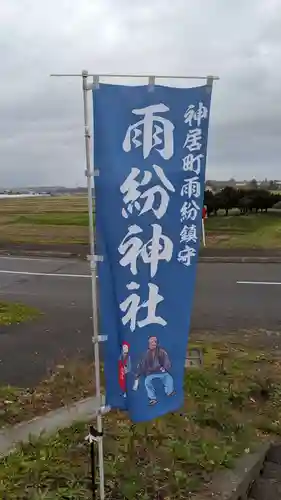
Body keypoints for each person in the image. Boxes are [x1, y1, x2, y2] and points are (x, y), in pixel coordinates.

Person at [133, 336, 175, 405]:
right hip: (151, 373)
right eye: (150, 343)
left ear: (156, 343)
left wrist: (164, 368)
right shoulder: (146, 354)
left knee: (169, 378)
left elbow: (167, 362)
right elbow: (142, 365)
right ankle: (152, 398)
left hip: (161, 372)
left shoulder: (162, 352)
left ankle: (169, 392)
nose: (151, 344)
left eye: (153, 342)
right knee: (147, 381)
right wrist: (138, 374)